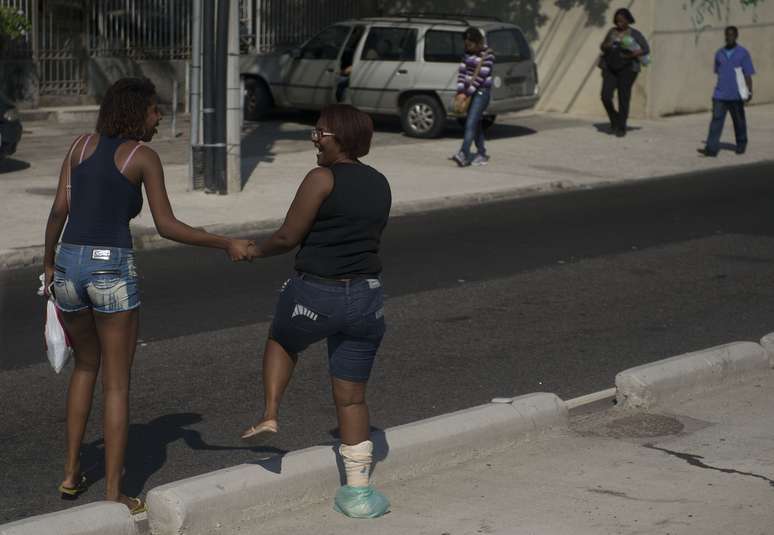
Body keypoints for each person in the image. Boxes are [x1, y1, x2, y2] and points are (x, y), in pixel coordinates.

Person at [42, 77, 254, 513]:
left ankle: (69, 474)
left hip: (68, 266)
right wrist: (225, 242)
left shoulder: (80, 146)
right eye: (155, 109)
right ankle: (115, 494)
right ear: (136, 112)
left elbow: (59, 211)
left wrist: (48, 265)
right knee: (116, 385)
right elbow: (167, 225)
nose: (160, 116)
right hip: (111, 269)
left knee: (85, 367)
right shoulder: (143, 157)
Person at [240, 104, 391, 518]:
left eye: (318, 134)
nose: (314, 141)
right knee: (352, 399)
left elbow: (289, 235)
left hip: (316, 294)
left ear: (337, 137)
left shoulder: (321, 178)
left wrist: (254, 249)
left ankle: (270, 412)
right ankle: (359, 495)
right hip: (366, 297)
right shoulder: (379, 182)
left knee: (282, 338)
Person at [700, 26, 755, 157]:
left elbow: (748, 74)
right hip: (720, 95)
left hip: (736, 95)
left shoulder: (743, 53)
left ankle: (741, 144)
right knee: (716, 122)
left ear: (736, 36)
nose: (729, 37)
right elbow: (718, 72)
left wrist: (749, 91)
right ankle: (711, 149)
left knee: (739, 121)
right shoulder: (719, 53)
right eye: (727, 35)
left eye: (732, 35)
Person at [599, 8, 650, 137]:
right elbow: (603, 46)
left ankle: (621, 127)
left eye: (622, 21)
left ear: (628, 20)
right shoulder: (612, 32)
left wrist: (633, 53)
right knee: (605, 95)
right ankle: (614, 117)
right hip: (610, 67)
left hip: (628, 68)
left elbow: (645, 49)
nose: (619, 24)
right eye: (617, 21)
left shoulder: (635, 34)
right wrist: (609, 44)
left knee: (624, 97)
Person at [451, 27, 495, 167]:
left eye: (470, 44)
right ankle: (481, 153)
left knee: (470, 123)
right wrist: (460, 91)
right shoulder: (467, 53)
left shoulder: (488, 55)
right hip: (469, 93)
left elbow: (479, 79)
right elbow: (462, 73)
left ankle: (463, 153)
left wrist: (466, 94)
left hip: (481, 93)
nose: (467, 47)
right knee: (475, 124)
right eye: (466, 44)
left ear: (478, 42)